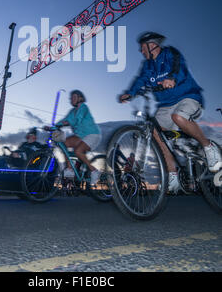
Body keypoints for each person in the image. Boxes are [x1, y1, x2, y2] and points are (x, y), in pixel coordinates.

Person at [118, 32, 222, 193]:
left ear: (152, 45)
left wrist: (172, 78)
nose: (141, 51)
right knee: (154, 132)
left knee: (178, 117)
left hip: (188, 97)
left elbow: (178, 67)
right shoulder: (147, 65)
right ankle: (172, 176)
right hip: (166, 105)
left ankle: (208, 147)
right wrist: (130, 93)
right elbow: (141, 79)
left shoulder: (170, 54)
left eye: (142, 48)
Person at [55, 90, 102, 185]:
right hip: (80, 136)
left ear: (80, 98)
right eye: (71, 98)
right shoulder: (72, 111)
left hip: (92, 134)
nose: (71, 99)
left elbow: (78, 119)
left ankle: (94, 171)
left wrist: (67, 123)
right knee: (65, 143)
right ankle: (69, 169)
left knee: (78, 151)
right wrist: (54, 126)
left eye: (74, 97)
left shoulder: (84, 107)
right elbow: (65, 120)